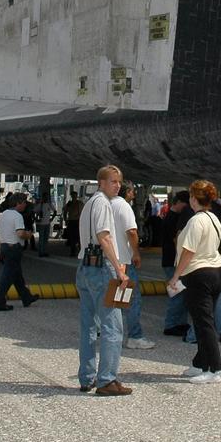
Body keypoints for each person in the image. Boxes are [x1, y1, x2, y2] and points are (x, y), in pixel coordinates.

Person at [75, 165, 132, 396]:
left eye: (119, 182)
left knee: (89, 324)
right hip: (101, 267)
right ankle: (107, 379)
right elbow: (104, 237)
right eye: (112, 181)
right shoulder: (103, 204)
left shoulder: (89, 204)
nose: (117, 185)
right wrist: (119, 269)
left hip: (84, 265)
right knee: (113, 326)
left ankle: (86, 376)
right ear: (101, 182)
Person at [169, 180, 221, 383]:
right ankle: (199, 363)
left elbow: (189, 251)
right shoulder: (214, 218)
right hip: (215, 272)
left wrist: (176, 275)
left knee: (204, 323)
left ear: (194, 198)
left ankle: (213, 369)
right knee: (203, 319)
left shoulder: (196, 221)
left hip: (199, 274)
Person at [186, 190, 221, 345]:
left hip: (198, 264)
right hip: (219, 263)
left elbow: (182, 237)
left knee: (200, 302)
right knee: (220, 300)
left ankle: (194, 335)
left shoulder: (192, 212)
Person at [112, 182, 155, 350]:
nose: (134, 194)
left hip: (112, 258)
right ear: (127, 192)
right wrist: (136, 253)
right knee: (133, 298)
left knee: (114, 298)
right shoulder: (124, 206)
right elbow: (132, 231)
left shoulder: (108, 204)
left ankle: (112, 333)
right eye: (132, 191)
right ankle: (135, 336)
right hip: (125, 259)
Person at [0, 192, 40, 311]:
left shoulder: (3, 215)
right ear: (18, 203)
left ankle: (26, 296)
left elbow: (2, 234)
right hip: (14, 248)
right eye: (24, 202)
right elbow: (20, 233)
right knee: (7, 277)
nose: (25, 205)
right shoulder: (17, 216)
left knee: (17, 275)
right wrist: (29, 235)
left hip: (5, 246)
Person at [160, 191, 192, 336]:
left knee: (182, 292)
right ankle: (171, 324)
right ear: (178, 202)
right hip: (171, 260)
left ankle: (180, 322)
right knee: (177, 293)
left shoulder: (174, 217)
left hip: (173, 260)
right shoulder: (172, 219)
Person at [63, 189, 83, 257]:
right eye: (73, 196)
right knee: (72, 238)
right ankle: (73, 251)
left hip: (78, 221)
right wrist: (65, 219)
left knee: (79, 237)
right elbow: (65, 211)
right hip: (71, 221)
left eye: (75, 195)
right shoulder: (69, 204)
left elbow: (83, 212)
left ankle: (80, 251)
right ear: (71, 196)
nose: (74, 197)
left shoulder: (80, 203)